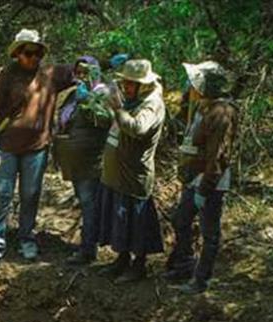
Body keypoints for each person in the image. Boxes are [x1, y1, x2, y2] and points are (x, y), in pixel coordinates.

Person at [0, 29, 75, 268]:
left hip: (37, 147)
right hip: (7, 146)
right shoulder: (5, 76)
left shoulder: (50, 75)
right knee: (2, 193)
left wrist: (100, 66)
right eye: (28, 52)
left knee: (30, 194)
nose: (33, 57)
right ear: (17, 53)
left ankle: (26, 238)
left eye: (37, 53)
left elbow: (81, 69)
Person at [164, 61, 239, 294]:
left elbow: (218, 156)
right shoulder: (202, 106)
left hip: (210, 183)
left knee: (210, 233)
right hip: (194, 178)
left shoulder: (222, 113)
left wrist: (204, 189)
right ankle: (185, 264)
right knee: (180, 220)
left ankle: (201, 279)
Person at [97, 59, 166, 283]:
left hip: (133, 176)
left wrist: (117, 108)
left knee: (136, 222)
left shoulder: (152, 103)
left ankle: (138, 265)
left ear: (143, 85)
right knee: (120, 220)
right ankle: (122, 259)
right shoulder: (132, 100)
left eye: (130, 83)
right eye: (124, 82)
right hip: (117, 174)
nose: (125, 87)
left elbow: (138, 128)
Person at [51, 55, 112, 265]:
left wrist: (89, 102)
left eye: (86, 71)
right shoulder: (71, 94)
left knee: (89, 203)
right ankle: (86, 245)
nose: (81, 76)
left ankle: (88, 249)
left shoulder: (102, 93)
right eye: (78, 72)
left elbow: (106, 120)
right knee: (84, 200)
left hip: (90, 160)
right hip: (73, 160)